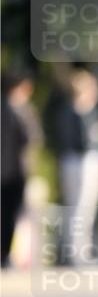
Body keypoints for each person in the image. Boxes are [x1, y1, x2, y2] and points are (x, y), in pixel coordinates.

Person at [50, 68, 98, 265]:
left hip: (74, 161)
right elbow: (85, 141)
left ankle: (77, 252)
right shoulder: (79, 111)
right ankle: (78, 254)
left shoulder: (72, 110)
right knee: (81, 208)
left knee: (78, 208)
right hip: (83, 162)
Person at [1, 70, 42, 267]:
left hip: (16, 171)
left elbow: (34, 139)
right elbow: (30, 139)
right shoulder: (12, 110)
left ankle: (7, 253)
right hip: (9, 170)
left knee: (12, 213)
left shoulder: (24, 110)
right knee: (7, 213)